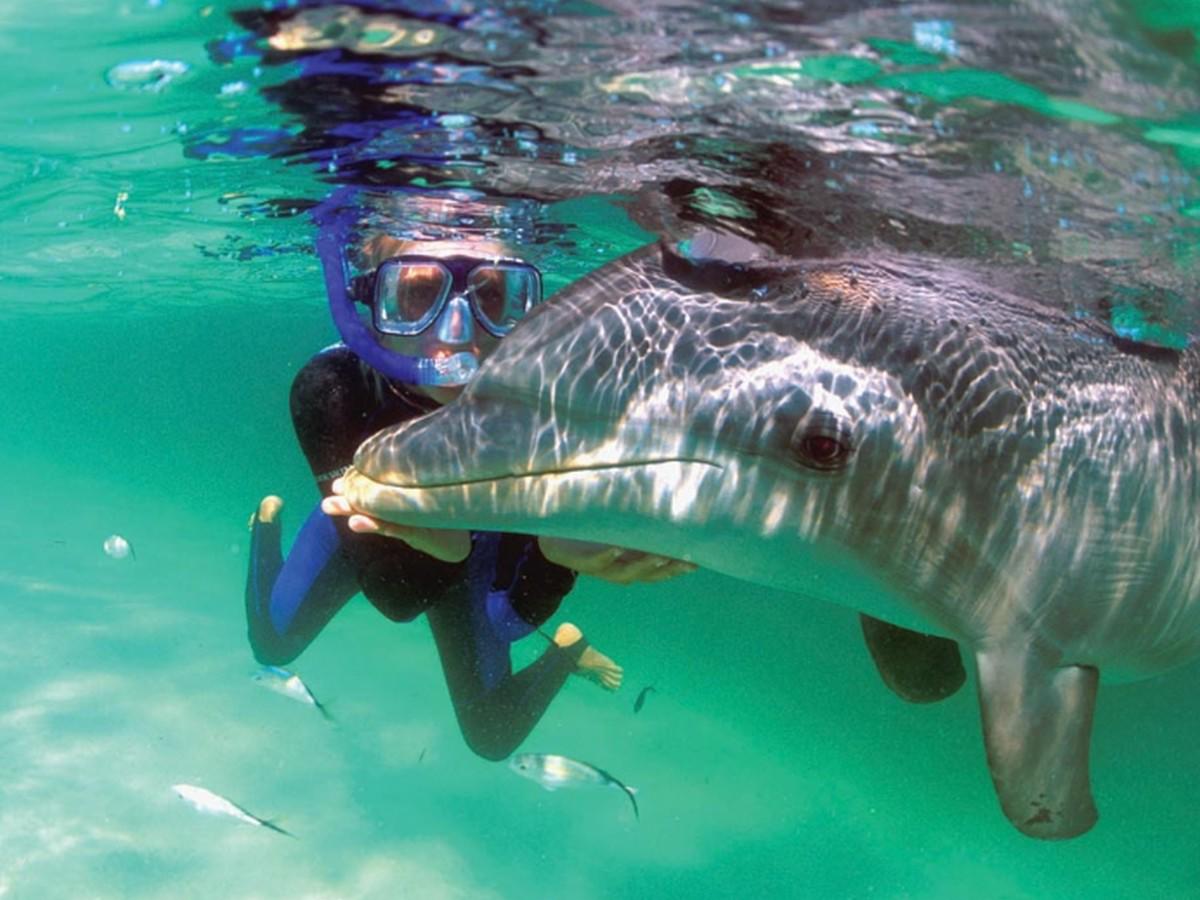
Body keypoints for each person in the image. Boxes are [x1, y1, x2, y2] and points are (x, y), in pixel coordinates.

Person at [246, 215, 693, 760]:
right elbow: (396, 599)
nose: (457, 333)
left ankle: (565, 654)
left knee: (493, 736)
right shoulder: (332, 389)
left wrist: (557, 553)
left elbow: (509, 615)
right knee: (272, 642)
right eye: (417, 296)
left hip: (476, 550)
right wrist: (451, 544)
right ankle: (266, 524)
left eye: (492, 297)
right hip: (370, 541)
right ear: (368, 298)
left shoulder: (551, 403)